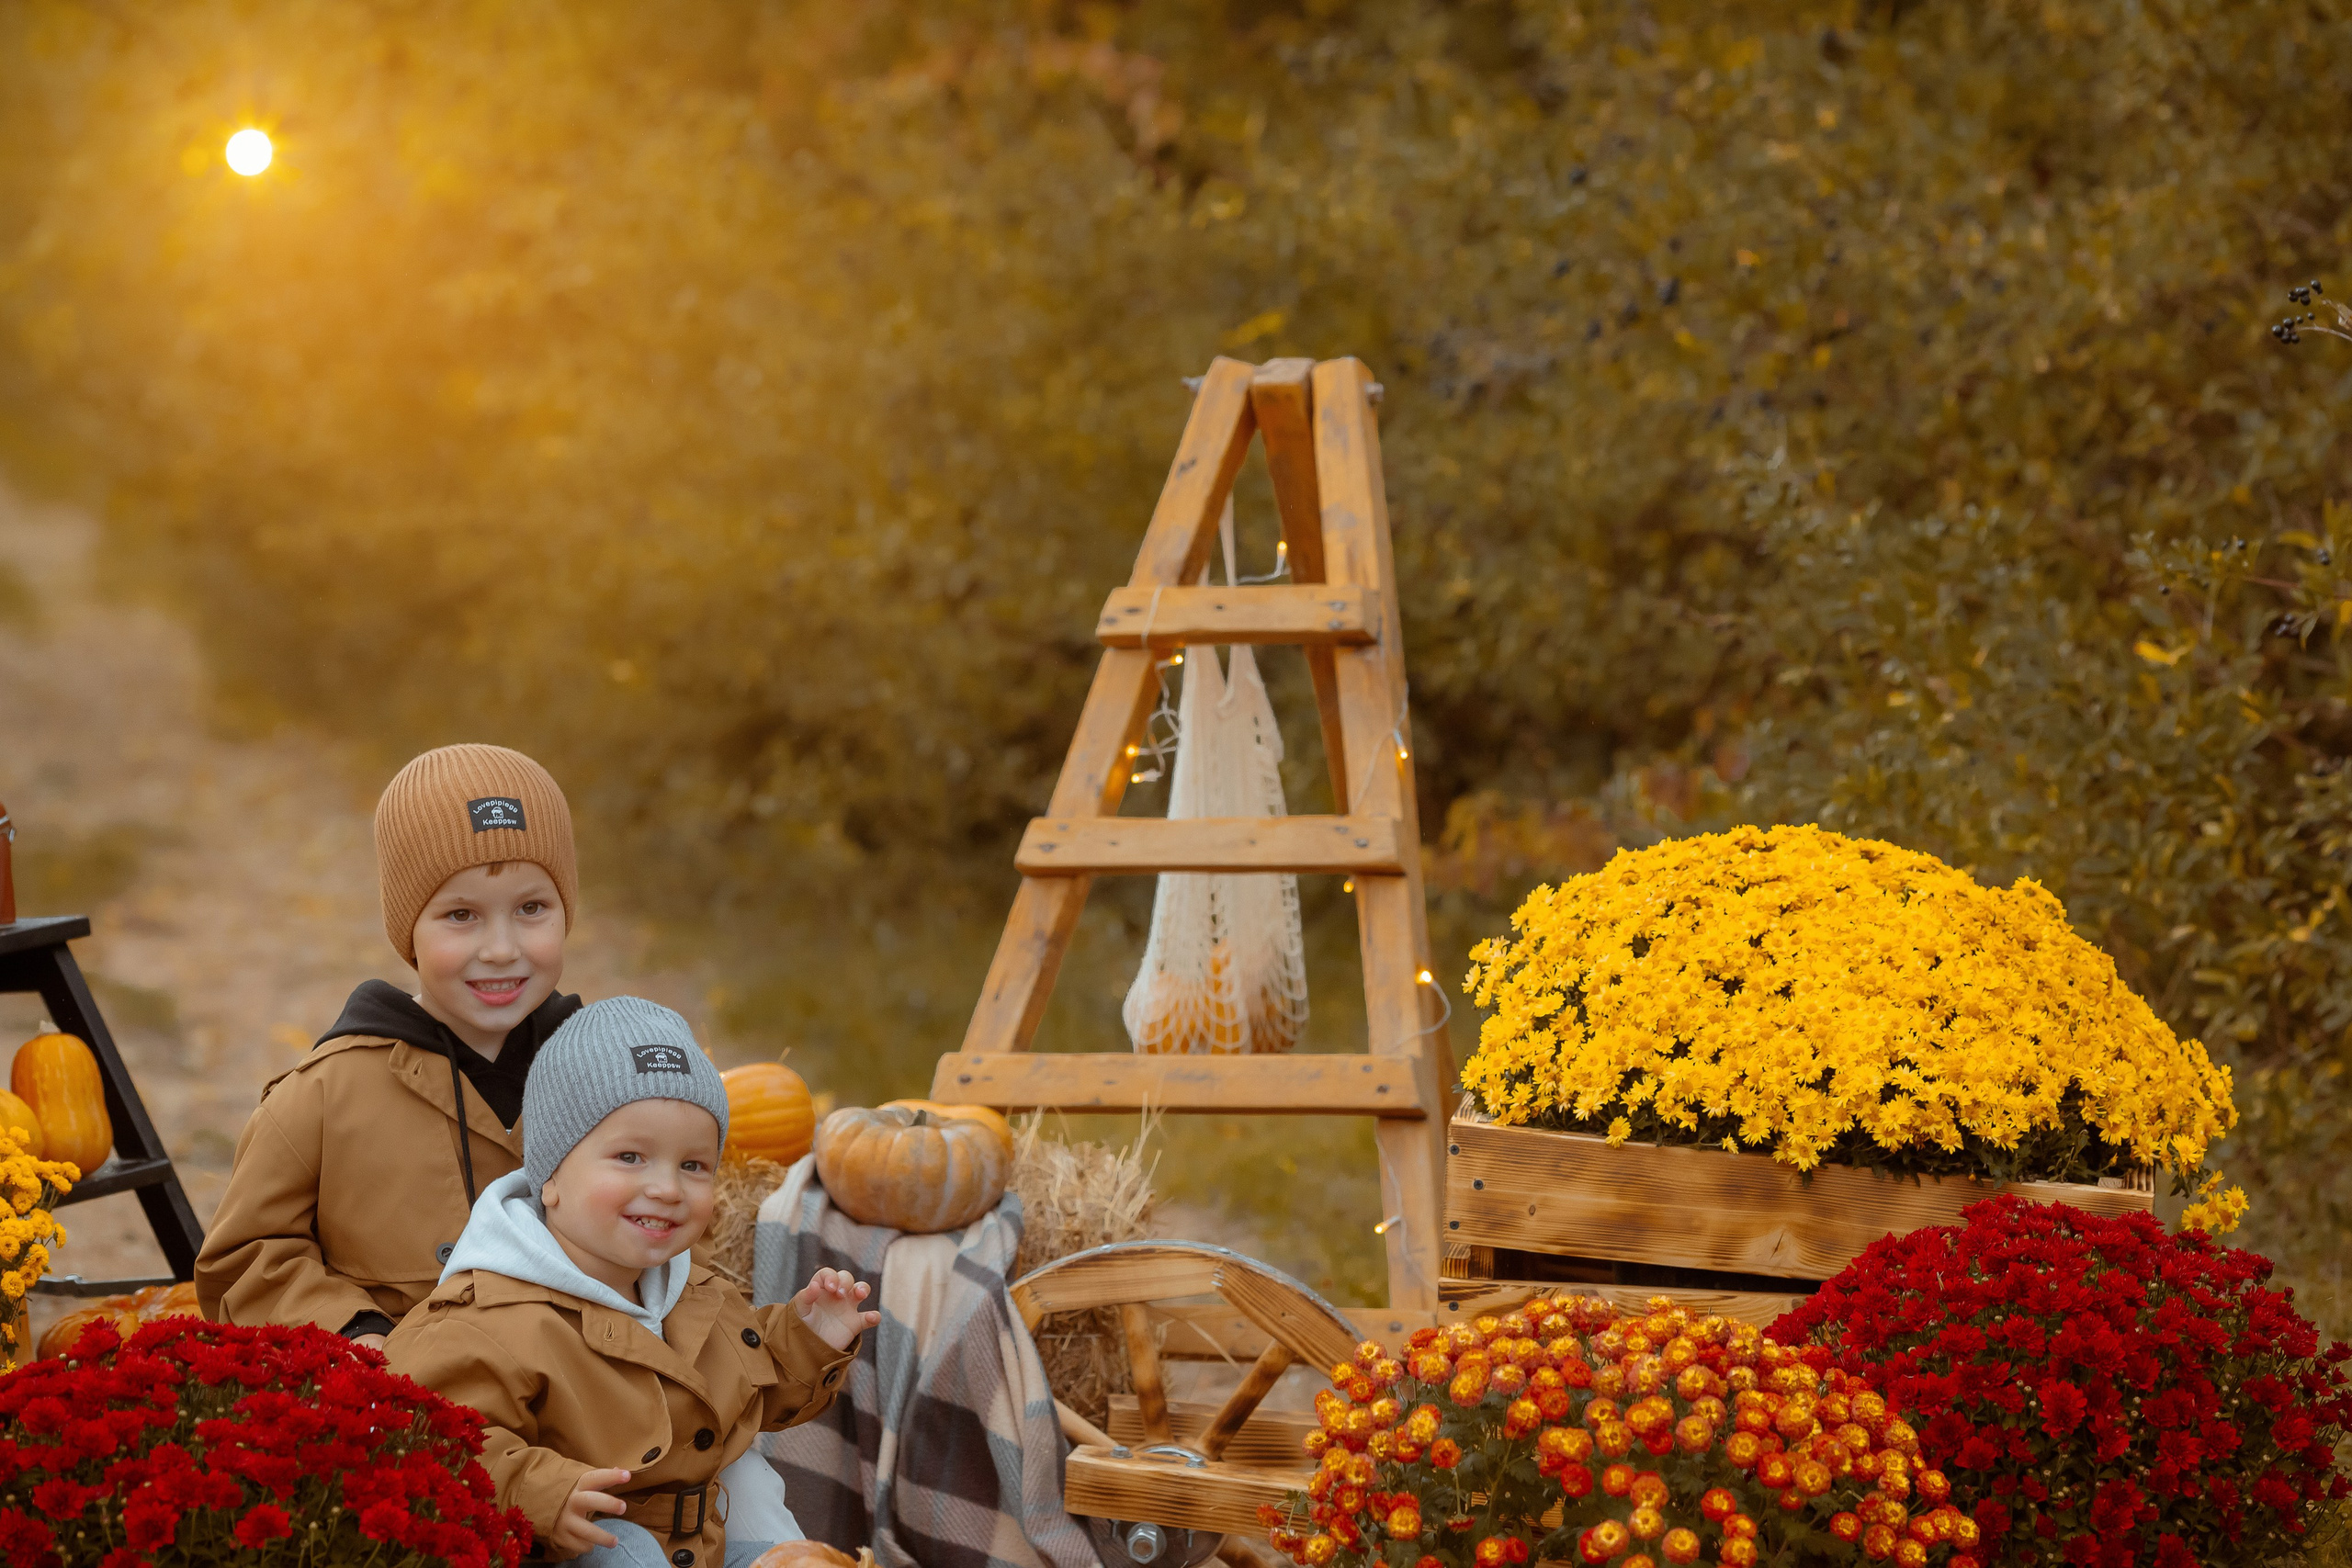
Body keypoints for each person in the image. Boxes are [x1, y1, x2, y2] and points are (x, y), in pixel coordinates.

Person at [388, 997, 875, 1568]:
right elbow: (430, 1439)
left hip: (696, 1551)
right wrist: (540, 1493)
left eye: (693, 1165)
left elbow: (747, 1391)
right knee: (620, 1552)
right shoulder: (489, 1316)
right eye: (630, 1157)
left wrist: (809, 1337)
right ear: (551, 1178)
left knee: (799, 1563)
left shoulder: (694, 1294)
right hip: (566, 1548)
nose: (667, 1188)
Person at [198, 743, 584, 1350]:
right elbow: (245, 1258)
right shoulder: (324, 1096)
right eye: (462, 915)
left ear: (567, 912)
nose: (502, 947)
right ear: (408, 926)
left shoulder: (604, 1078)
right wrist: (355, 1333)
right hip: (409, 1421)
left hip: (585, 1424)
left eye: (532, 908)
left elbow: (676, 1240)